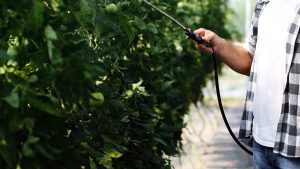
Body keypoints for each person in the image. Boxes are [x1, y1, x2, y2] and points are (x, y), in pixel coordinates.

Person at [189, 0, 300, 168]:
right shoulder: (264, 5)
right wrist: (217, 44)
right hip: (262, 142)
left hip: (295, 146)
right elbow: (249, 61)